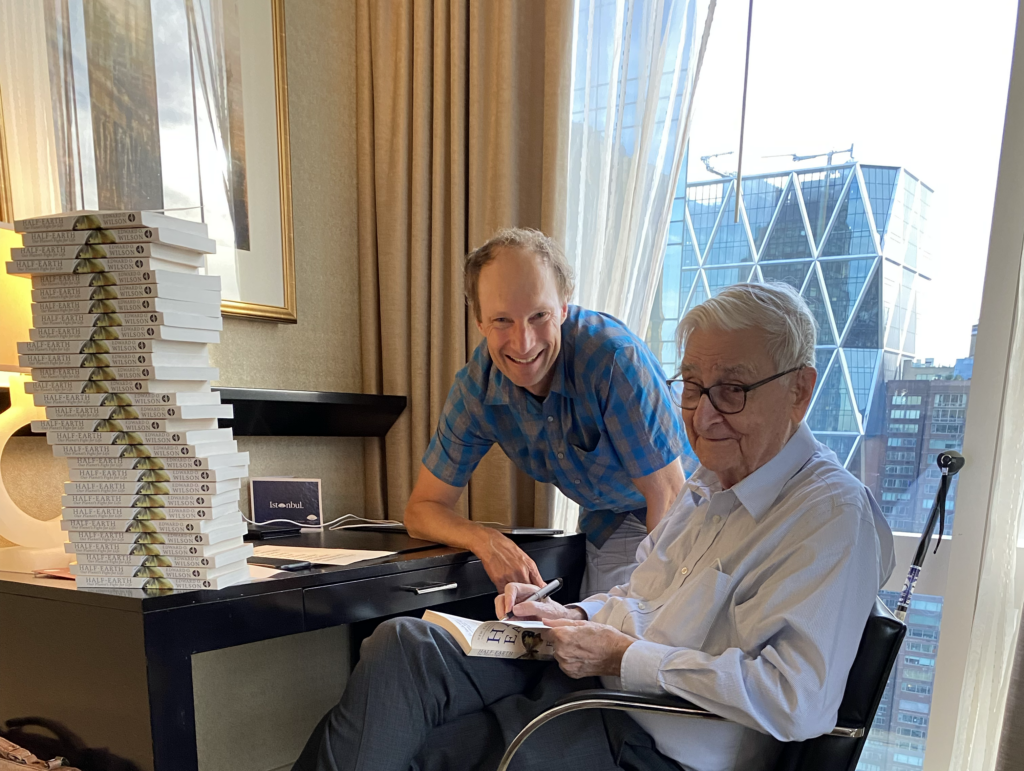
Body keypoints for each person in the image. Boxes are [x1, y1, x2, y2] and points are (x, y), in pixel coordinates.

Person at [296, 282, 896, 771]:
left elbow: (797, 701)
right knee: (404, 647)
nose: (703, 415)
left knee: (427, 750)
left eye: (732, 390)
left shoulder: (829, 516)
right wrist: (571, 616)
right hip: (604, 692)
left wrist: (624, 657)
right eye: (691, 386)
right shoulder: (707, 487)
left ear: (800, 390)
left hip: (658, 741)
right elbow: (640, 598)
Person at [407, 228, 686, 596]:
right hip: (608, 520)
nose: (523, 343)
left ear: (564, 308)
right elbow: (421, 509)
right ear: (479, 323)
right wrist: (485, 540)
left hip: (691, 506)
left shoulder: (614, 360)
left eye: (539, 315)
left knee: (650, 630)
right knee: (596, 633)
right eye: (502, 320)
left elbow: (668, 497)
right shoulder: (476, 388)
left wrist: (663, 602)